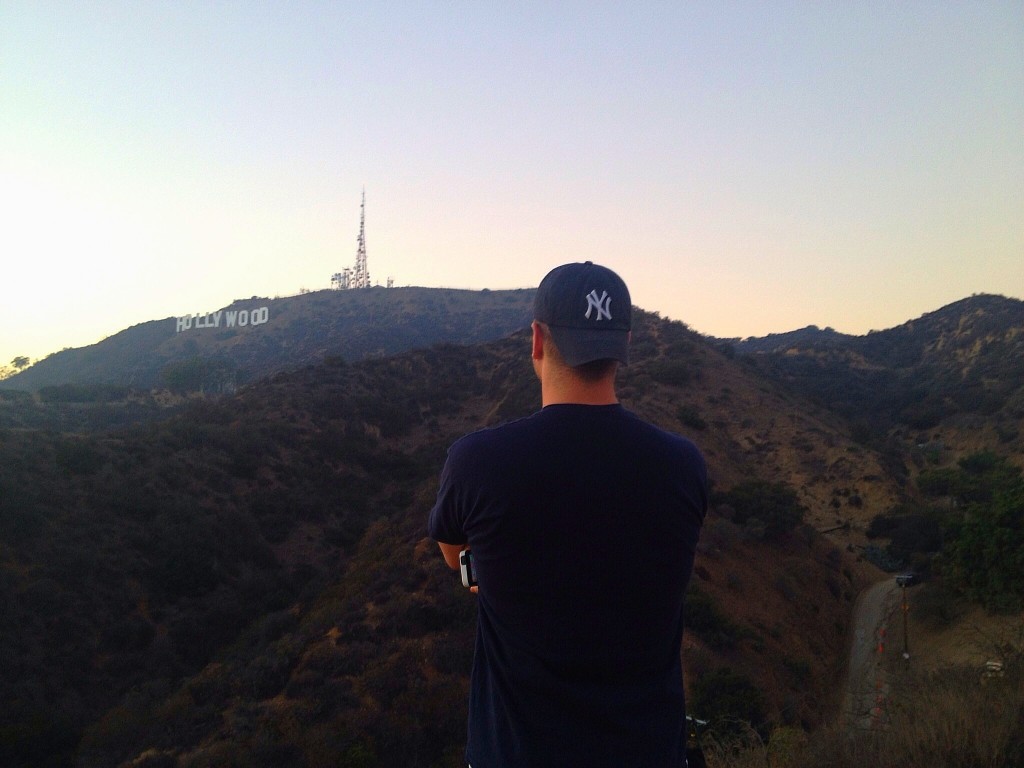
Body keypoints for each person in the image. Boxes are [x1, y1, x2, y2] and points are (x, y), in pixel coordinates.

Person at [428, 261, 708, 767]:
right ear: (624, 346)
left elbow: (454, 555)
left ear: (536, 340)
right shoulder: (683, 465)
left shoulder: (478, 462)